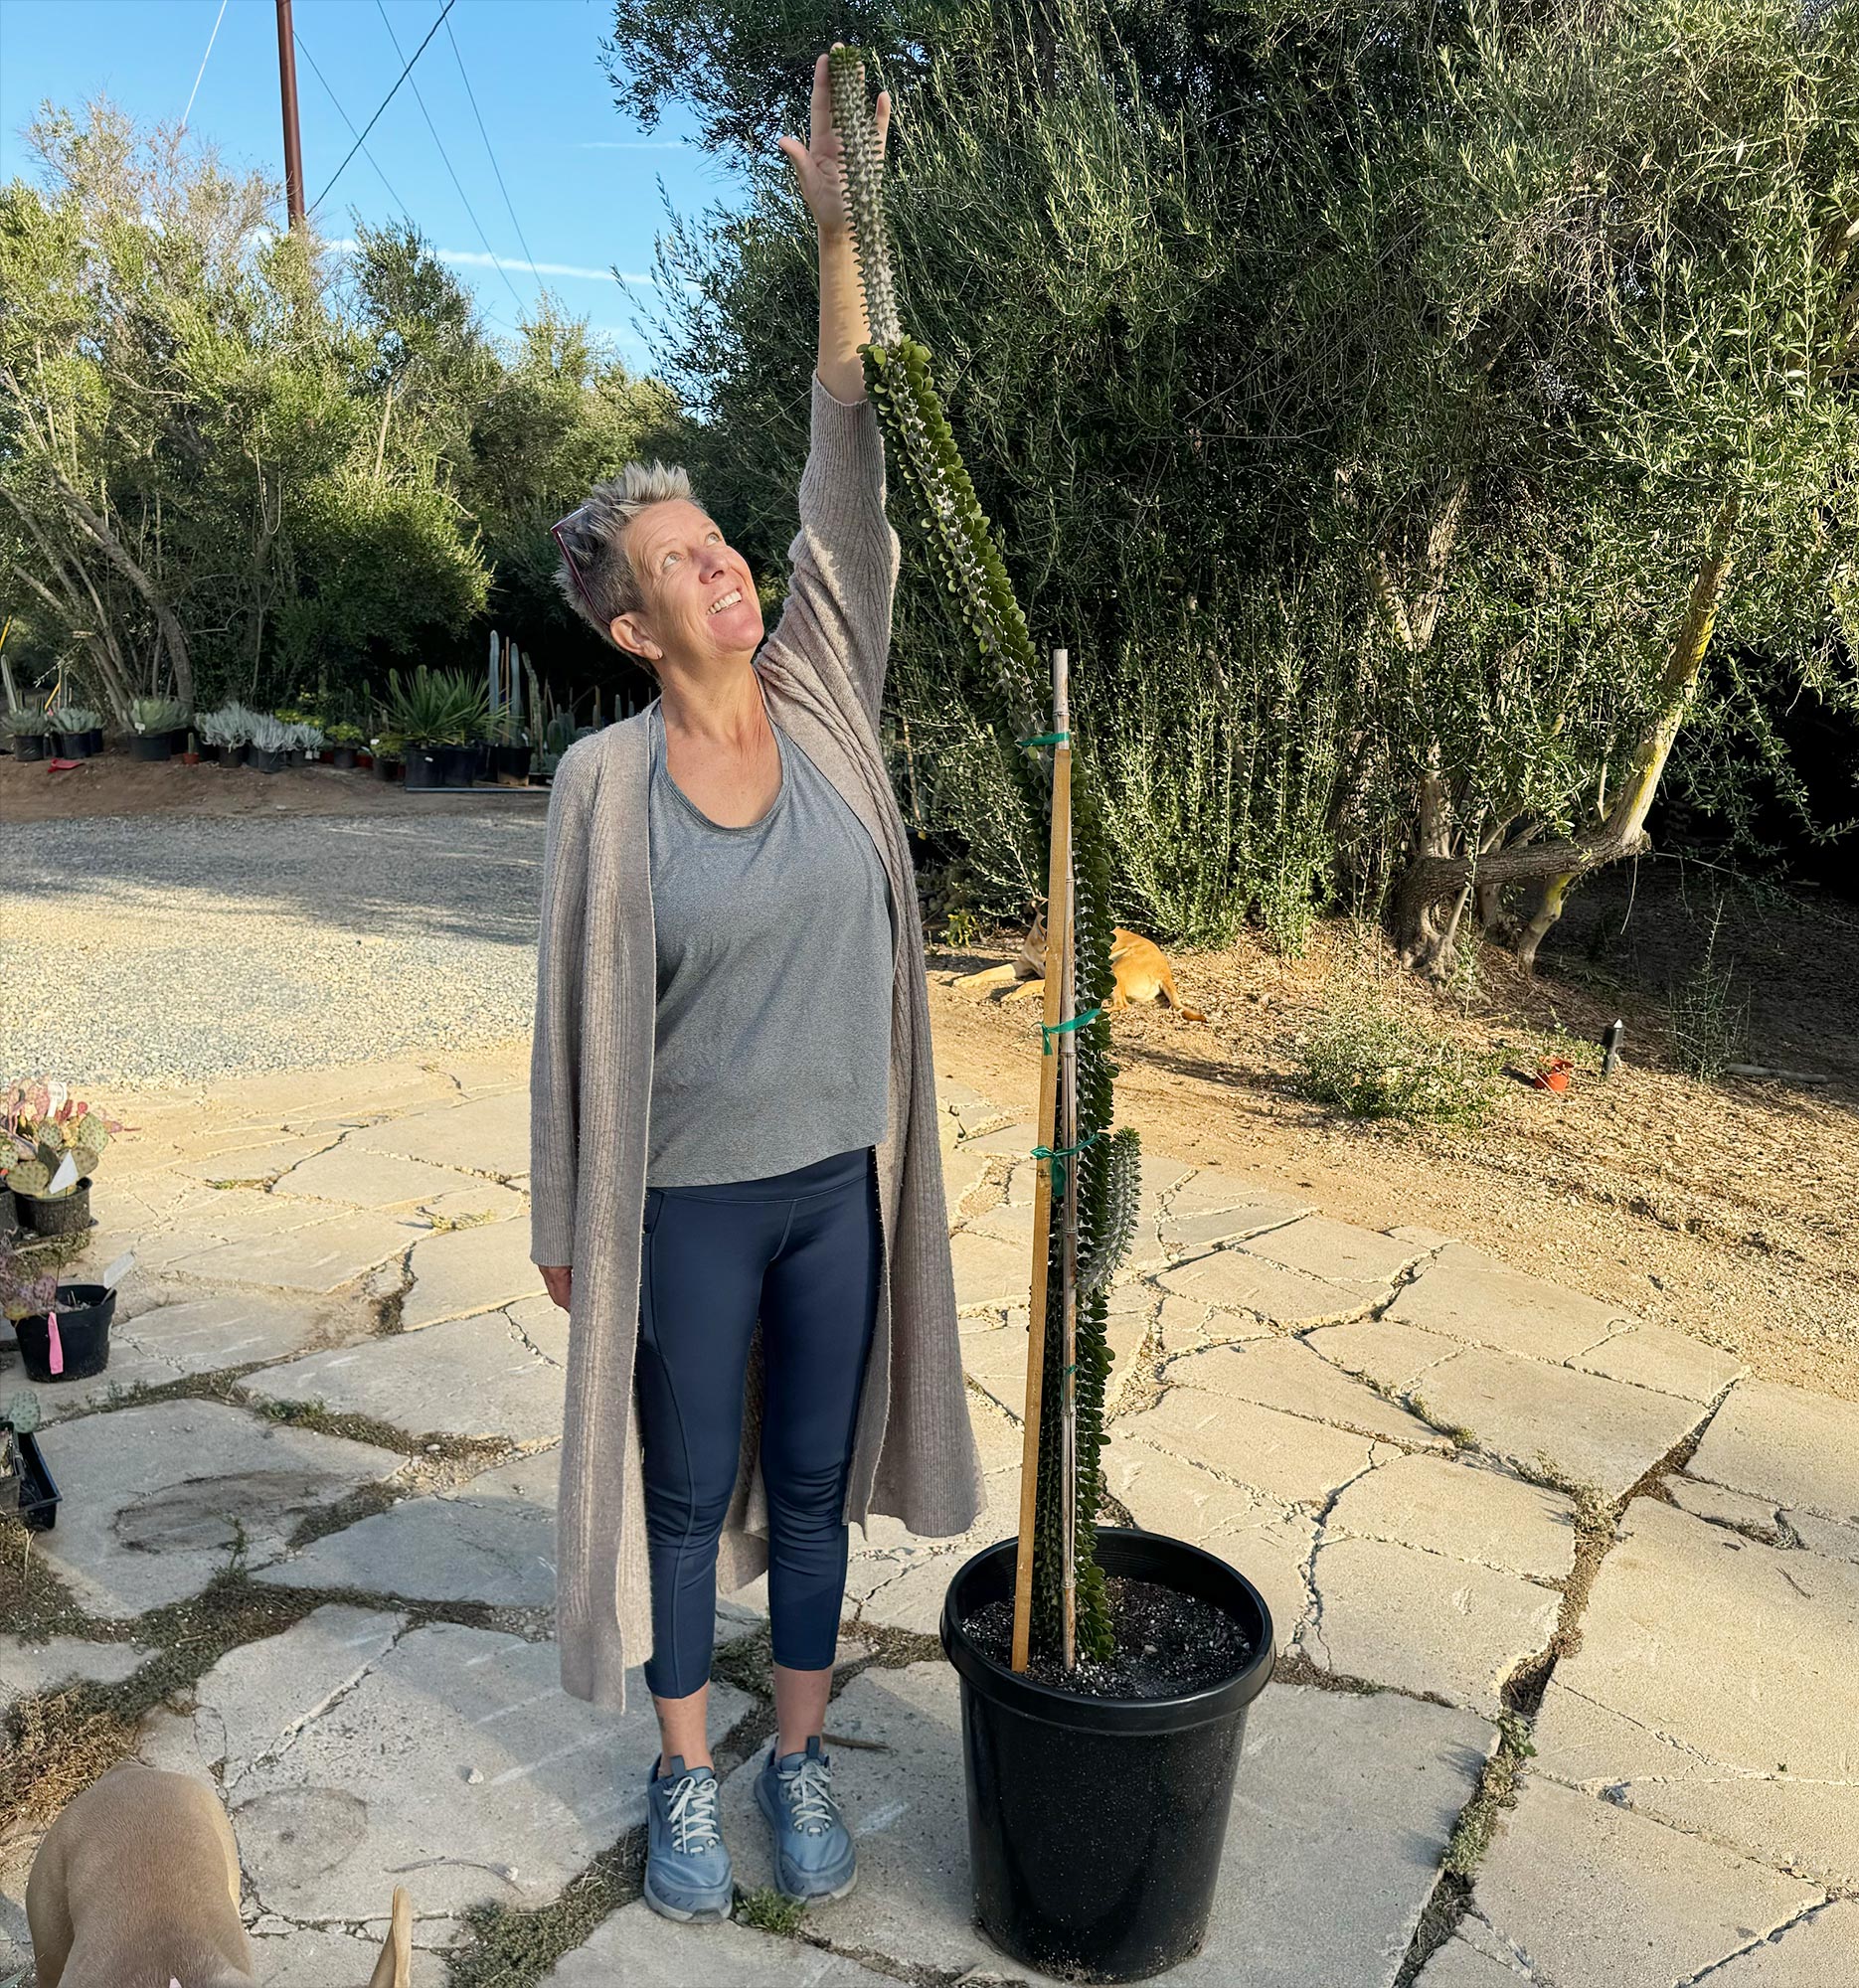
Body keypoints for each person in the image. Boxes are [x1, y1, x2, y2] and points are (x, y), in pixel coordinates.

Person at [528, 50, 981, 1924]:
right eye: (681, 566)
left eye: (721, 543)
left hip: (835, 1188)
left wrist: (839, 230)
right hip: (691, 1198)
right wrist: (571, 1219)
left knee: (808, 1493)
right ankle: (684, 1773)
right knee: (675, 1490)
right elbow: (568, 1033)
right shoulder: (605, 788)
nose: (723, 568)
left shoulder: (823, 688)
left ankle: (796, 1759)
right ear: (630, 627)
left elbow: (847, 449)